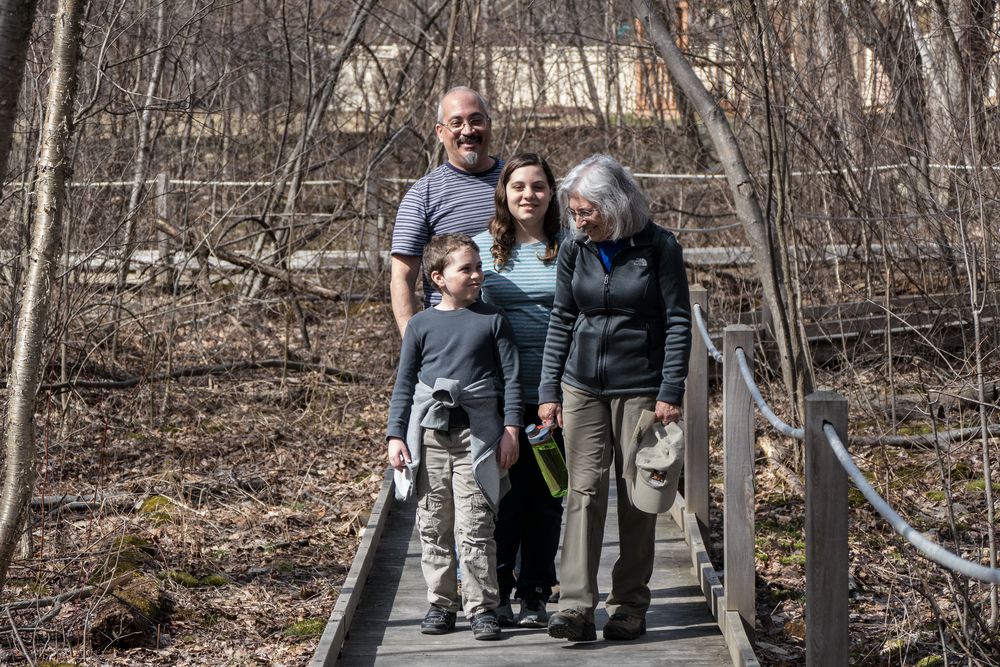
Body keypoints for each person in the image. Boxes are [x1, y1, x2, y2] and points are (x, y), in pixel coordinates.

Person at [537, 154, 692, 642]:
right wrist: (548, 390)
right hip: (581, 387)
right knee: (581, 493)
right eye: (575, 213)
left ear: (616, 205)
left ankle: (628, 604)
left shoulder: (660, 246)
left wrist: (670, 390)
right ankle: (575, 605)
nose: (579, 222)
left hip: (641, 387)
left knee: (638, 496)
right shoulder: (574, 248)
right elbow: (562, 318)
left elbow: (678, 321)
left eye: (587, 212)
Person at [386, 233, 522, 641]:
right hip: (429, 437)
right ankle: (440, 603)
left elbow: (511, 380)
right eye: (467, 268)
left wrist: (511, 430)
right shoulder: (421, 325)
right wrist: (396, 434)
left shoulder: (493, 320)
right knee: (434, 522)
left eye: (479, 266)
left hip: (478, 438)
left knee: (477, 525)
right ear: (438, 278)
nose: (477, 274)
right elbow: (405, 383)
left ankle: (482, 607)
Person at [472, 153, 564, 629]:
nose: (528, 195)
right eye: (519, 187)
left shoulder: (570, 247)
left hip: (557, 395)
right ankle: (499, 588)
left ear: (552, 193)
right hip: (499, 396)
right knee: (502, 497)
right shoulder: (481, 251)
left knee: (547, 496)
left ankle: (535, 593)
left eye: (539, 186)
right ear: (504, 194)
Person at [390, 86, 502, 336]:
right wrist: (414, 344)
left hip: (515, 333)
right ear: (440, 132)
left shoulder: (518, 185)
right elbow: (402, 279)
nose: (468, 131)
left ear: (489, 124)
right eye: (456, 123)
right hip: (451, 340)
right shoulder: (422, 196)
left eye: (476, 120)